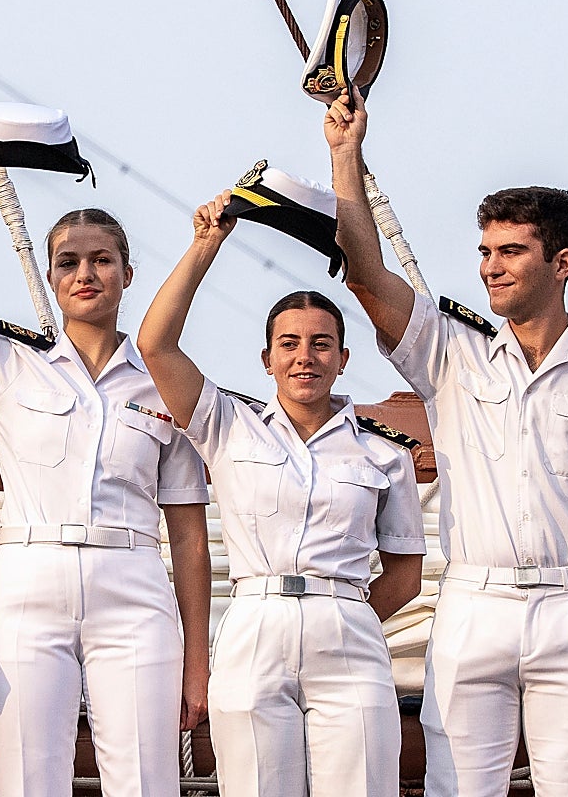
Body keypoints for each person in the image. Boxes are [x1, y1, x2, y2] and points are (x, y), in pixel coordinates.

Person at [329, 88, 568, 797]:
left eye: (512, 251)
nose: (491, 266)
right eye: (486, 251)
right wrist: (346, 155)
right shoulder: (448, 352)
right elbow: (367, 277)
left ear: (561, 263)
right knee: (457, 787)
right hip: (472, 603)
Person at [0, 135, 212, 797]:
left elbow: (190, 535)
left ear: (127, 272)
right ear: (53, 275)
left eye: (102, 260)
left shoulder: (164, 384)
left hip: (135, 586)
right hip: (31, 582)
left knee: (148, 781)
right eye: (68, 262)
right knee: (30, 780)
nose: (85, 273)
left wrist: (197, 663)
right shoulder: (5, 359)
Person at [136, 193, 426, 797]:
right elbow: (156, 344)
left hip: (347, 625)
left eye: (321, 343)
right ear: (267, 359)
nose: (305, 356)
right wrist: (206, 244)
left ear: (343, 359)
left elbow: (405, 575)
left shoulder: (384, 451)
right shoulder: (225, 424)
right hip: (254, 624)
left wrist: (342, 617)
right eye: (289, 343)